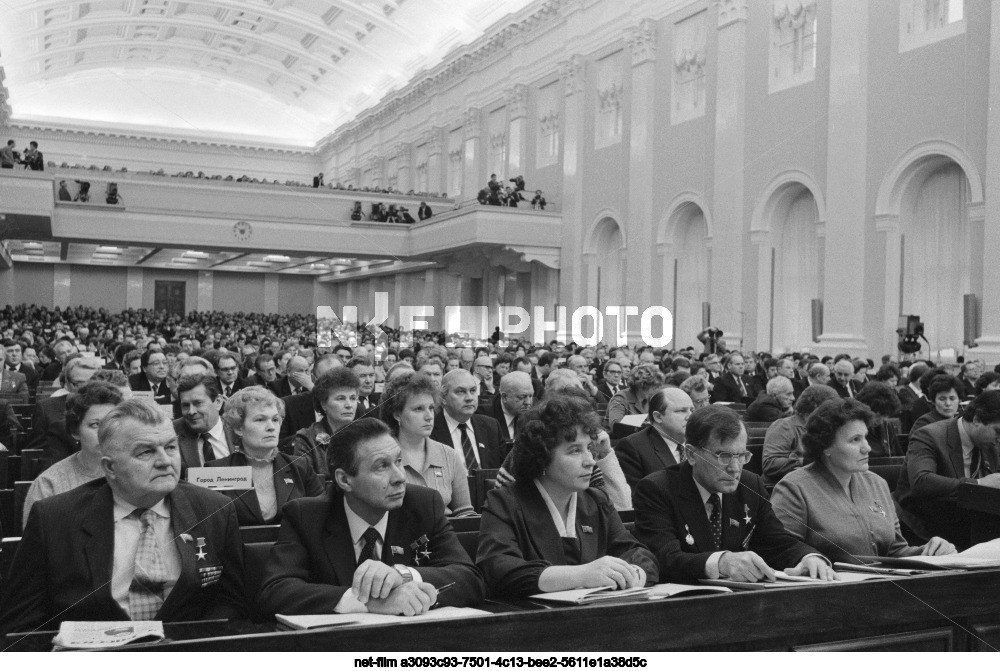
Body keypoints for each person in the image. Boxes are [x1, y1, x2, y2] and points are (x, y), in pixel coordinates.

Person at [0, 400, 245, 635]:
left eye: (171, 447)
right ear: (110, 468)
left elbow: (233, 605)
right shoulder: (54, 519)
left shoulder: (215, 510)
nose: (165, 461)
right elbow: (22, 625)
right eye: (146, 452)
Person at [258, 418, 485, 616]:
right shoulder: (306, 516)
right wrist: (367, 602)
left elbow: (470, 579)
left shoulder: (424, 504)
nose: (400, 477)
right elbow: (276, 591)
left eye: (398, 461)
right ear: (345, 480)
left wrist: (404, 575)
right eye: (381, 467)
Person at [476, 394, 657, 598]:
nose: (590, 461)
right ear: (542, 456)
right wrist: (581, 575)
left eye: (589, 448)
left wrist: (635, 574)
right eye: (574, 451)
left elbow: (638, 553)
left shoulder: (597, 500)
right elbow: (499, 569)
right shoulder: (504, 501)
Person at [633, 405, 836, 583]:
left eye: (742, 456)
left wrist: (808, 557)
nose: (734, 468)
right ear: (692, 454)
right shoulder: (656, 489)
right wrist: (722, 562)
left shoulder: (751, 484)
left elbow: (776, 542)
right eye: (724, 456)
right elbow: (665, 559)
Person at [771, 398, 956, 564]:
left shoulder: (877, 484)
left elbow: (895, 550)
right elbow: (781, 550)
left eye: (865, 437)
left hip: (883, 586)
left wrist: (927, 551)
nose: (867, 448)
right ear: (825, 446)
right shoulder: (794, 488)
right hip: (828, 591)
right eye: (855, 440)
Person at [894, 390, 1000, 548]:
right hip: (923, 526)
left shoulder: (991, 442)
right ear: (977, 419)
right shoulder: (928, 435)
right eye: (998, 432)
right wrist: (977, 484)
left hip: (970, 522)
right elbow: (921, 481)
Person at [208, 387, 324, 525]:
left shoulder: (300, 467)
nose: (271, 427)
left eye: (275, 419)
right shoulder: (215, 471)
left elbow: (321, 518)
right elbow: (210, 529)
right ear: (239, 428)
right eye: (260, 420)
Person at [22, 381, 124, 526]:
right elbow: (37, 544)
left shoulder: (136, 473)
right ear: (75, 431)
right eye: (95, 424)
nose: (105, 432)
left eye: (113, 423)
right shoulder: (49, 485)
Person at [383, 371, 473, 516]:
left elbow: (465, 513)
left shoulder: (449, 455)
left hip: (446, 533)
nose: (429, 416)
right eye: (418, 409)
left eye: (431, 408)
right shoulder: (384, 456)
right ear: (397, 414)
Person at [761, 385, 839, 489]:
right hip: (782, 488)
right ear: (816, 407)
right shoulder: (784, 426)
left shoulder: (824, 429)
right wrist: (805, 461)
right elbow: (770, 463)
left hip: (815, 485)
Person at [615, 387, 692, 490]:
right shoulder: (633, 448)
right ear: (658, 417)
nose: (690, 416)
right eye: (682, 411)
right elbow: (637, 498)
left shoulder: (700, 442)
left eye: (692, 410)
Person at [430, 369, 507, 470]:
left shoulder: (491, 426)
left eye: (473, 390)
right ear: (443, 398)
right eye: (461, 392)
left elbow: (504, 472)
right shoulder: (429, 429)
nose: (469, 398)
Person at [293, 367, 361, 478]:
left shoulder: (366, 434)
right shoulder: (306, 439)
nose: (349, 405)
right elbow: (307, 485)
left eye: (353, 398)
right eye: (340, 398)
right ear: (324, 404)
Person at [174, 374, 236, 470]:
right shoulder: (172, 432)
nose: (191, 411)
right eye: (185, 405)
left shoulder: (238, 428)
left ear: (218, 402)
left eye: (198, 403)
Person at [606, 363, 665, 430]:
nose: (656, 390)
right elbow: (616, 424)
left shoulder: (649, 400)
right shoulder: (620, 398)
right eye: (654, 387)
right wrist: (644, 423)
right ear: (641, 385)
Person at [855, 381, 904, 457]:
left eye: (885, 416)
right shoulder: (855, 429)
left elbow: (899, 456)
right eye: (877, 416)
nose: (881, 421)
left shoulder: (887, 426)